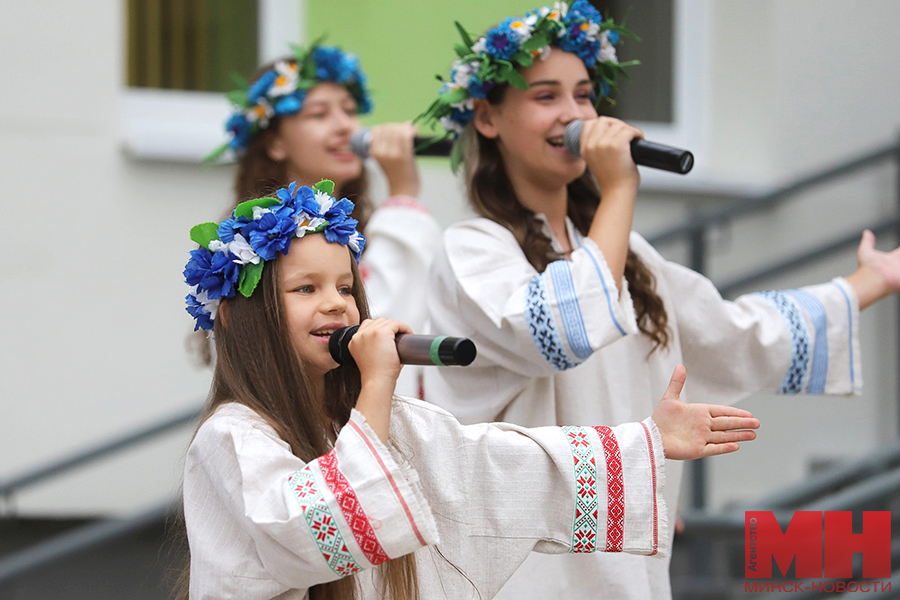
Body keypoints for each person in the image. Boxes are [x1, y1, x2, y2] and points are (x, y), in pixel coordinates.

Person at [418, 2, 900, 598]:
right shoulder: (471, 249)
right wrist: (620, 186)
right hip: (525, 565)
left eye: (585, 94)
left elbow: (734, 333)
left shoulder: (633, 255)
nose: (573, 114)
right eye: (546, 97)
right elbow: (560, 333)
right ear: (488, 118)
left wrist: (870, 281)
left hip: (619, 550)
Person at [178, 181, 760, 600]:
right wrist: (378, 382)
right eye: (305, 288)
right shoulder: (230, 438)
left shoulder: (391, 422)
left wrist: (645, 444)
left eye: (344, 286)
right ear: (236, 316)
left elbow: (502, 465)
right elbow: (315, 531)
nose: (336, 302)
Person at [203, 42, 441, 395]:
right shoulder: (250, 247)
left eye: (349, 110)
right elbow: (368, 334)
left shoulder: (365, 227)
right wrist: (403, 194)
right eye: (319, 114)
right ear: (276, 144)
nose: (345, 126)